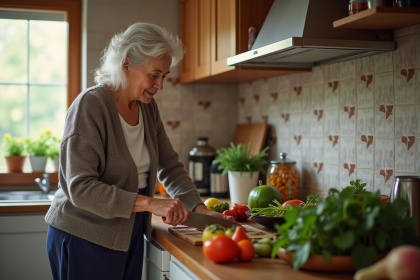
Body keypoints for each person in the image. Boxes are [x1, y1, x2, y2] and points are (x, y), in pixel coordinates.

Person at [45, 22, 234, 280]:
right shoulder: (90, 106)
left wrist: (198, 209)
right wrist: (151, 203)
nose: (160, 85)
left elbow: (170, 166)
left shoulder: (147, 108)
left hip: (129, 232)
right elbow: (81, 188)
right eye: (154, 75)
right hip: (85, 234)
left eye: (164, 76)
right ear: (126, 65)